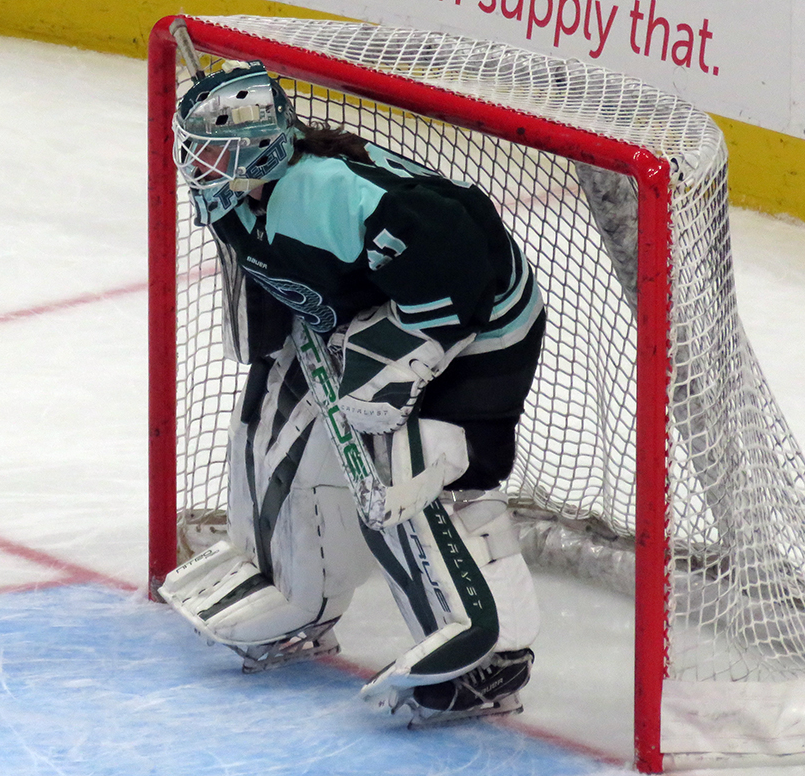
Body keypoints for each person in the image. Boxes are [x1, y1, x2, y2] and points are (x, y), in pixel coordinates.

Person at [158, 60, 545, 724]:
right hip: (389, 305)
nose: (201, 164)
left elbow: (460, 239)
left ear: (261, 147)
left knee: (414, 458)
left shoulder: (321, 191)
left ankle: (494, 656)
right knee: (276, 400)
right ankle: (293, 590)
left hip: (483, 322)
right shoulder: (238, 198)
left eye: (218, 149)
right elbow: (282, 286)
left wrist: (408, 353)